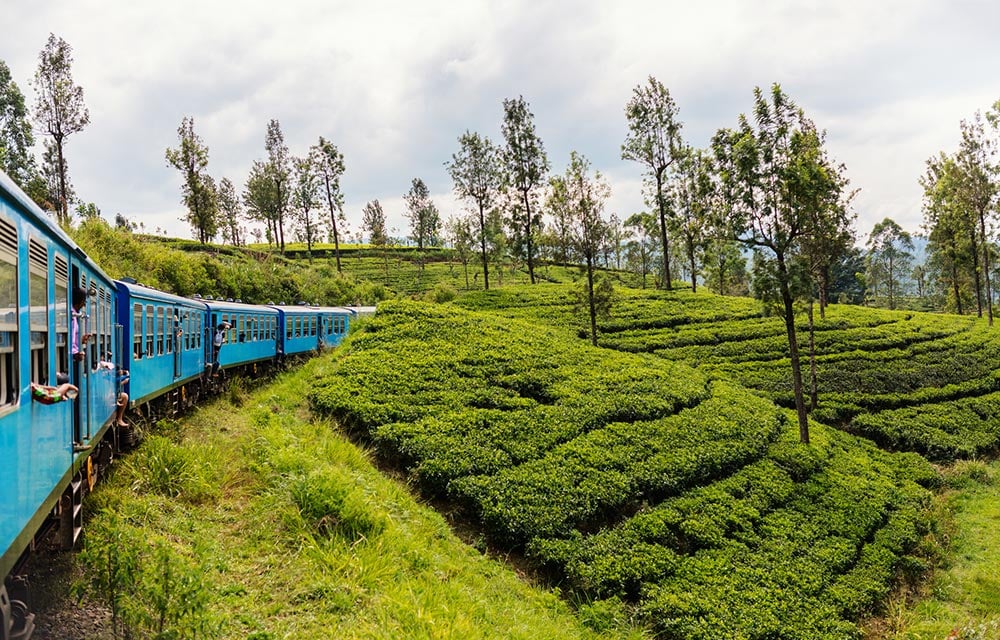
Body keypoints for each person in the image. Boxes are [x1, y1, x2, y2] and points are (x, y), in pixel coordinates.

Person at [71, 286, 88, 362]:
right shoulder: (72, 314)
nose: (84, 304)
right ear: (80, 301)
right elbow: (69, 340)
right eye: (84, 301)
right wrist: (75, 354)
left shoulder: (74, 314)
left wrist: (81, 341)